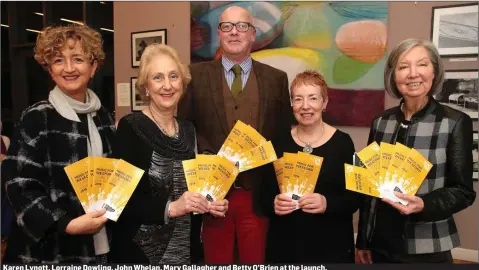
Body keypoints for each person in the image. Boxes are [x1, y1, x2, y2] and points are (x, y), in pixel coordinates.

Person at [178, 5, 293, 264]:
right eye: (226, 26)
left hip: (258, 196)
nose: (234, 32)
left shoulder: (276, 79)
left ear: (253, 34)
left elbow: (283, 137)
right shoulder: (194, 76)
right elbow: (185, 132)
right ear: (219, 34)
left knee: (255, 261)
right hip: (213, 200)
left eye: (242, 26)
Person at [2, 24, 115, 263]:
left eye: (78, 59)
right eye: (59, 60)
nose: (69, 68)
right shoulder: (36, 117)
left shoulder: (102, 116)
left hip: (98, 246)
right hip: (46, 253)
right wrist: (65, 223)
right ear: (50, 70)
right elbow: (19, 185)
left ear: (93, 67)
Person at [356, 38, 476, 264]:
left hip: (428, 247)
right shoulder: (381, 121)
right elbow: (369, 187)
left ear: (434, 71)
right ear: (393, 75)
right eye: (403, 67)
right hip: (381, 243)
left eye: (422, 64)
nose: (413, 74)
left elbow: (463, 191)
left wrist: (424, 204)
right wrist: (363, 240)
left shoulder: (455, 122)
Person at [109, 44, 229, 264]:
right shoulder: (131, 126)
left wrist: (210, 204)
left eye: (173, 76)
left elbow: (192, 192)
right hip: (140, 253)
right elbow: (119, 200)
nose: (167, 85)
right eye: (158, 77)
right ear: (145, 86)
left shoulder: (188, 130)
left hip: (186, 252)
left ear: (182, 84)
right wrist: (172, 208)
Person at [264, 71, 361, 263]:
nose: (305, 106)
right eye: (298, 99)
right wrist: (273, 203)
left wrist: (327, 203)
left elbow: (355, 198)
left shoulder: (343, 143)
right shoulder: (277, 142)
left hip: (332, 247)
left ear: (324, 103)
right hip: (285, 247)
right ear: (292, 104)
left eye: (313, 98)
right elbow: (263, 196)